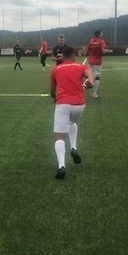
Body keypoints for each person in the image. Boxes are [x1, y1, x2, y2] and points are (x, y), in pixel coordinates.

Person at [50, 45, 94, 179]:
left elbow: (52, 92)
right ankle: (73, 148)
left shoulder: (56, 69)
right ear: (74, 56)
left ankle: (61, 166)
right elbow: (89, 74)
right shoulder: (81, 67)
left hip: (63, 104)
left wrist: (54, 98)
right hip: (79, 105)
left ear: (62, 56)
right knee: (71, 122)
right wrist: (90, 82)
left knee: (60, 136)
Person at [85, 29, 110, 99]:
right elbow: (103, 51)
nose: (102, 34)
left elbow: (88, 50)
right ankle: (95, 93)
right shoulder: (101, 41)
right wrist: (107, 50)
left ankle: (81, 88)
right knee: (97, 78)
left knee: (90, 76)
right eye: (101, 33)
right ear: (99, 34)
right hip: (97, 62)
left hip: (90, 61)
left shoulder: (91, 40)